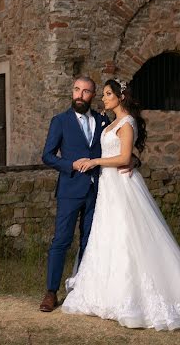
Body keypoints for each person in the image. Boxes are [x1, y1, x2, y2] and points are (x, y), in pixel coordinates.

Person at [62, 78, 180, 330]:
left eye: (108, 94)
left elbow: (124, 156)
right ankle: (106, 297)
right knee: (108, 237)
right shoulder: (110, 122)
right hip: (109, 188)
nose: (104, 98)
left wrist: (96, 162)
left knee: (128, 236)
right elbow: (124, 155)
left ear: (120, 97)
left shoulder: (127, 123)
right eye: (103, 94)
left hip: (123, 187)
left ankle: (134, 300)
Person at [39, 76, 136, 313]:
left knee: (90, 243)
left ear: (93, 95)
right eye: (76, 90)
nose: (80, 95)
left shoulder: (104, 121)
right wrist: (71, 165)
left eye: (86, 91)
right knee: (61, 241)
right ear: (72, 92)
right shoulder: (59, 121)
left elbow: (121, 148)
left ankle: (82, 290)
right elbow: (48, 156)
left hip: (99, 191)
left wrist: (134, 161)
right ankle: (51, 292)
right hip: (70, 190)